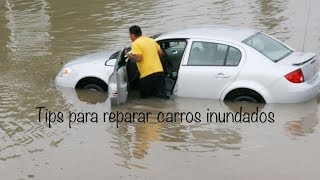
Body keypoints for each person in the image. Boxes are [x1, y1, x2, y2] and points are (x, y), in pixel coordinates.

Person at [126, 25, 169, 99]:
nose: (129, 37)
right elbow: (161, 54)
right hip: (159, 73)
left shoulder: (135, 43)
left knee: (145, 100)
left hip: (147, 76)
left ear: (133, 34)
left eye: (129, 35)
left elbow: (138, 58)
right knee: (162, 97)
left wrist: (128, 55)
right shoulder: (151, 40)